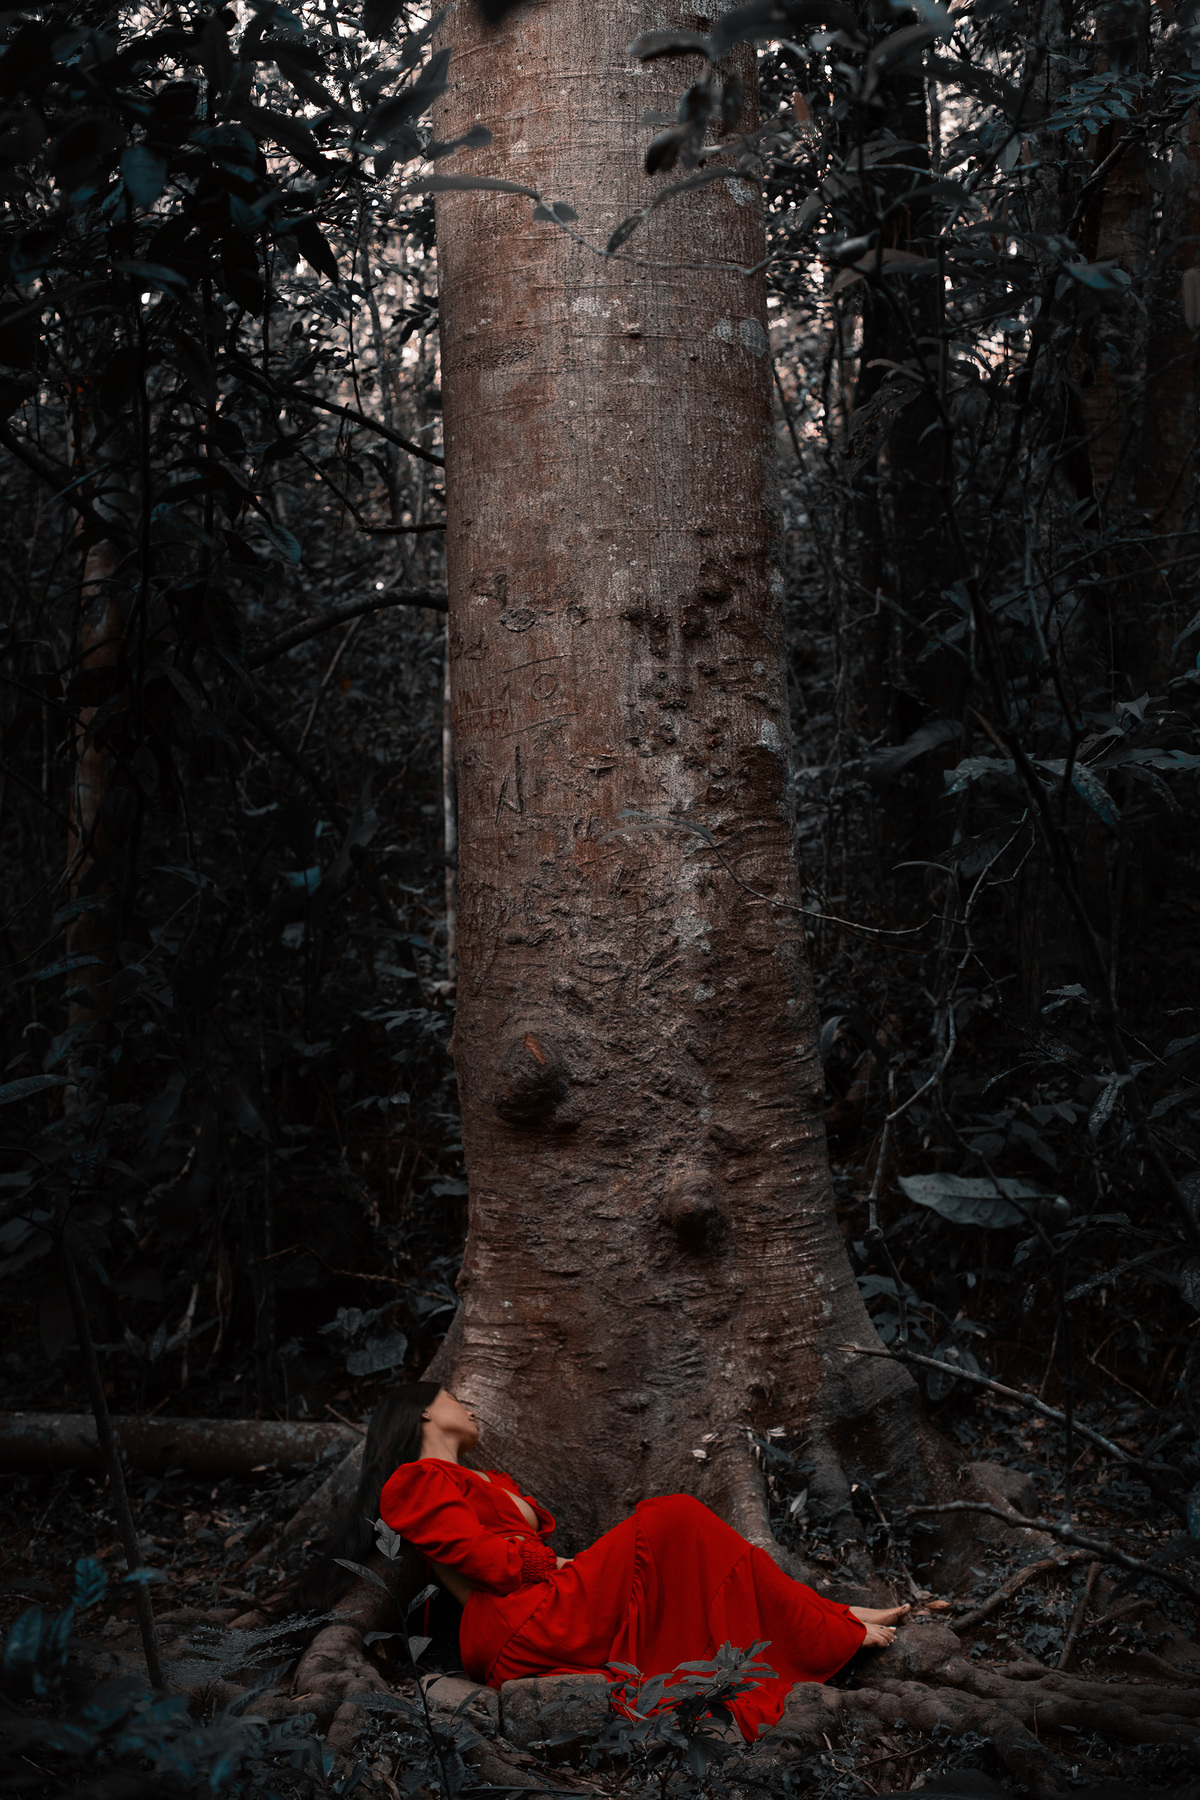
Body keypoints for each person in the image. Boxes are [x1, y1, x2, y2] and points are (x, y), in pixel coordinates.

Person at [375, 1383, 909, 1742]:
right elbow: (481, 1559)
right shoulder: (416, 1480)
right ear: (424, 1409)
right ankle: (824, 1623)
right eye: (454, 1396)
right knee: (673, 1517)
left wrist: (557, 1565)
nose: (468, 1407)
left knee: (680, 1548)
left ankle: (824, 1614)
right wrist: (551, 1564)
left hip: (546, 1606)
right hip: (518, 1624)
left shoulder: (483, 1481)